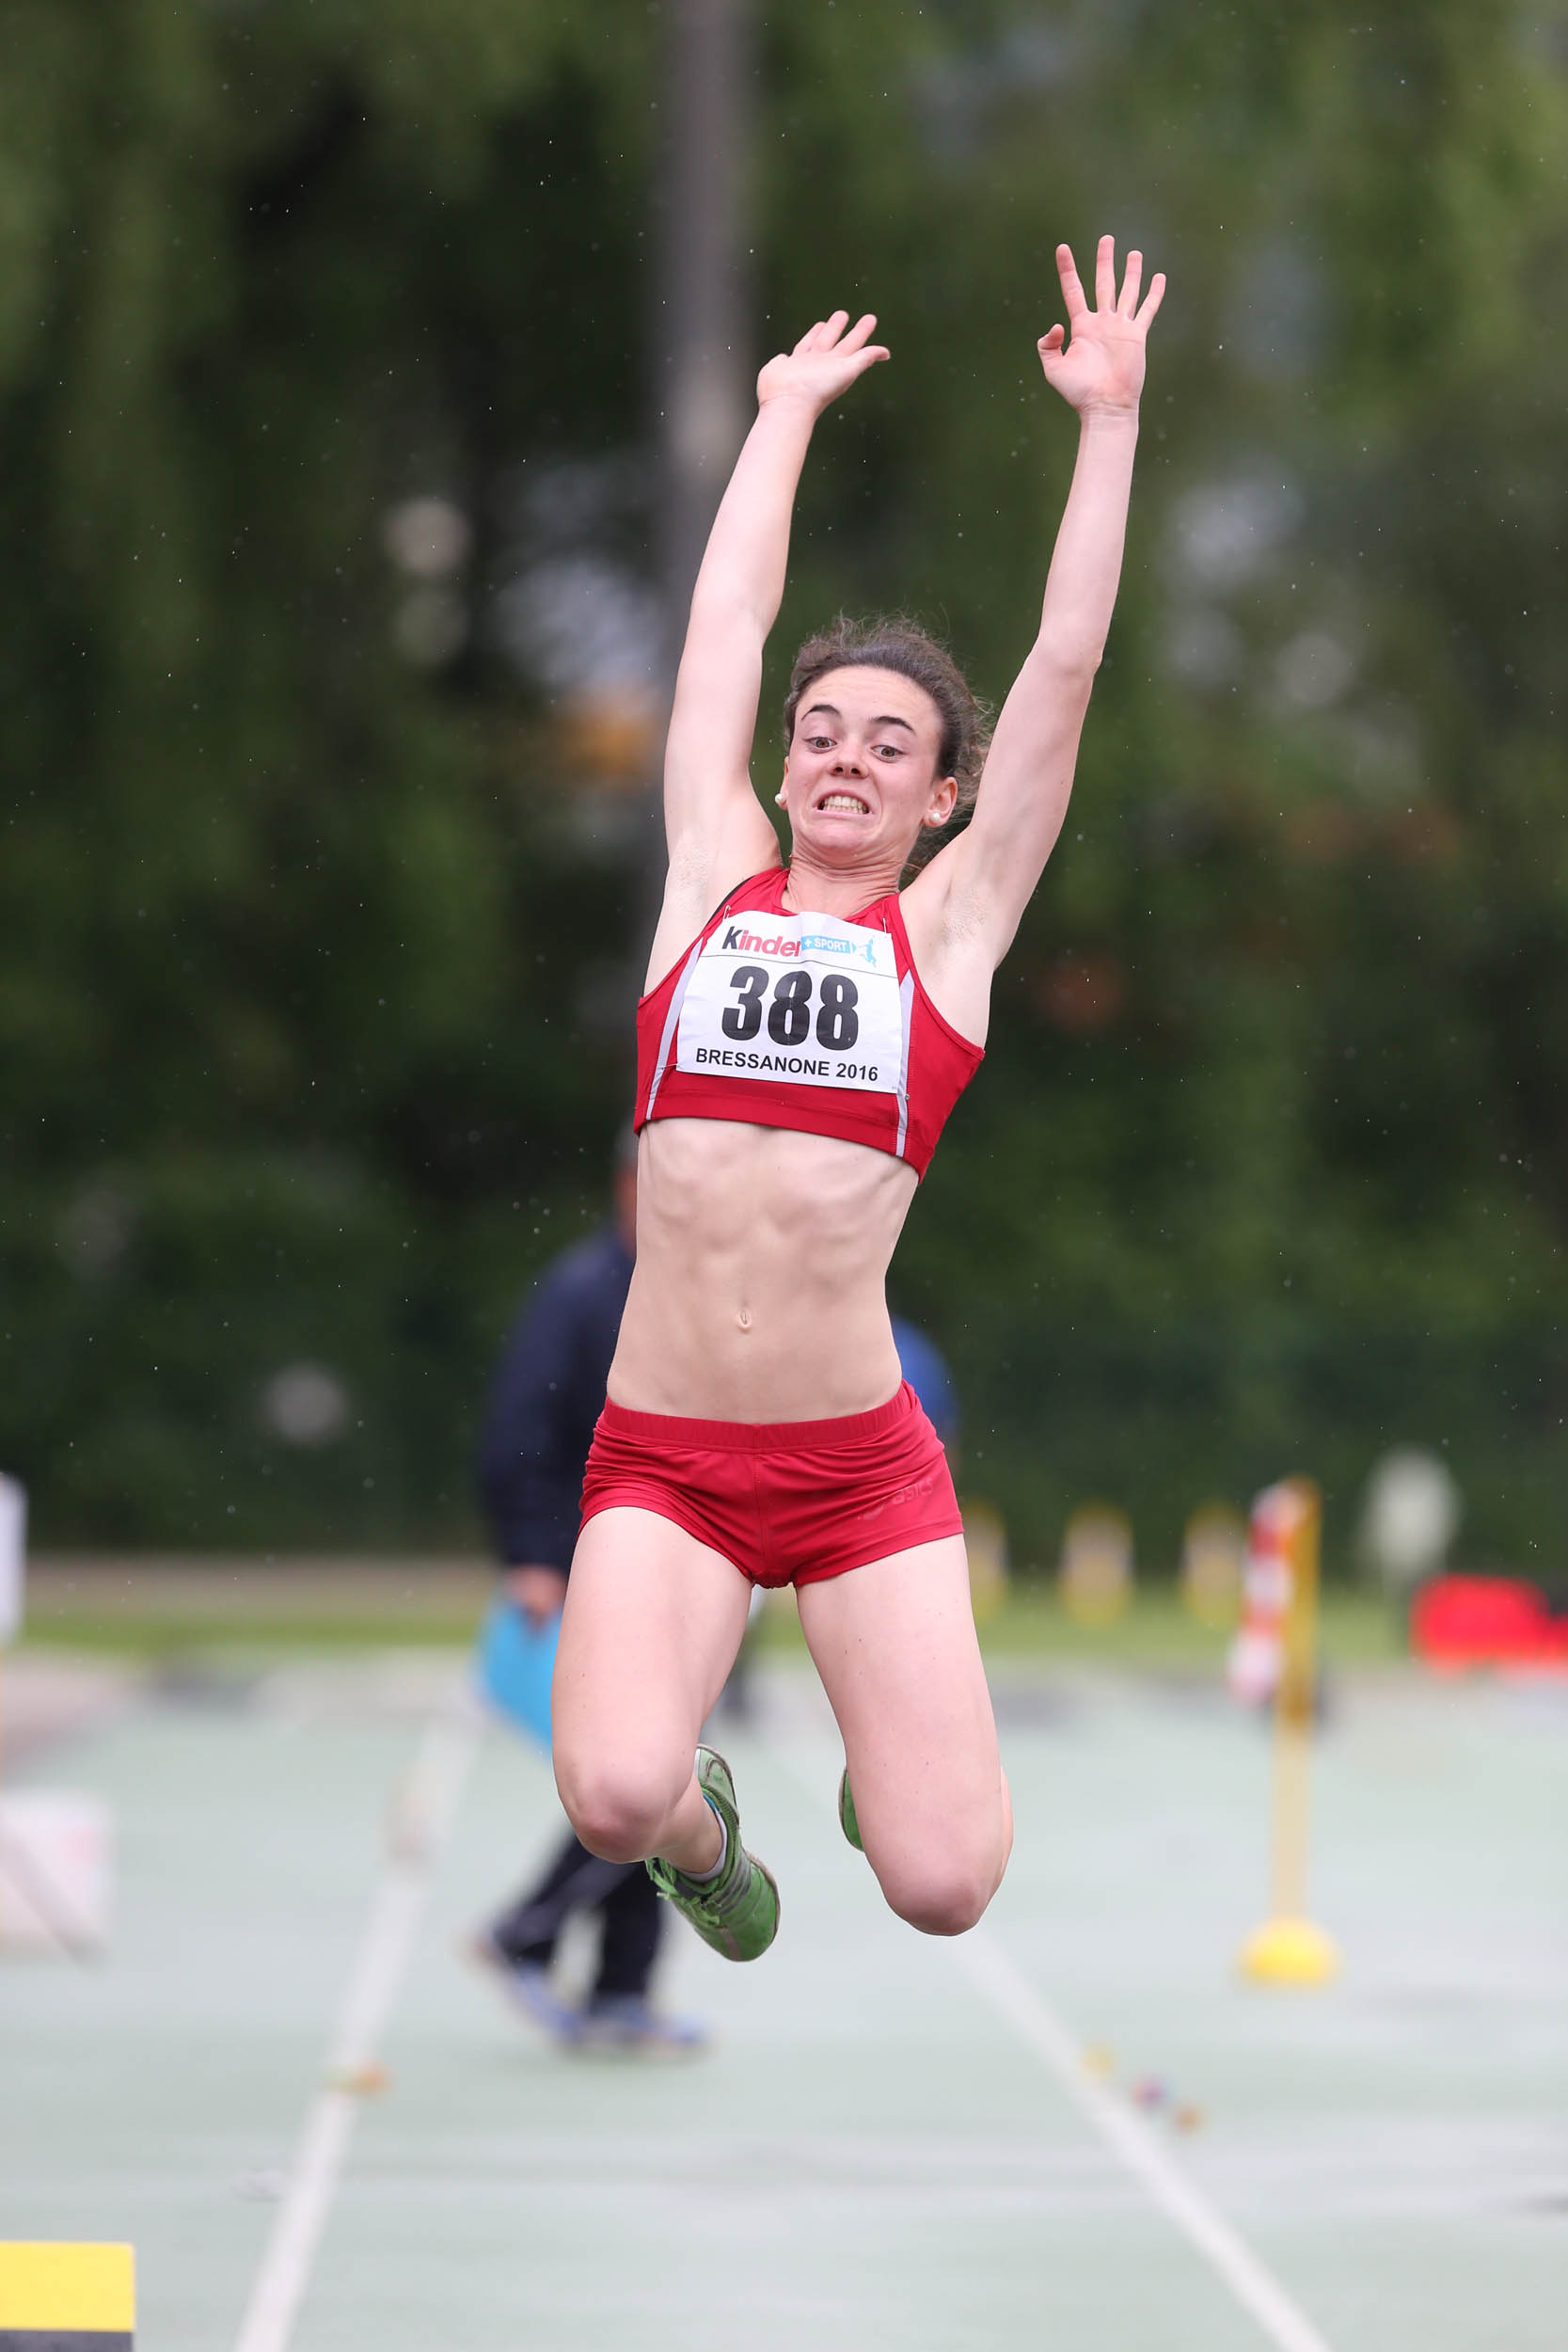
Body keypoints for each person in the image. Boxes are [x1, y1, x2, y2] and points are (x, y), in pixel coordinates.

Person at [551, 237, 1164, 1963]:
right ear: (781, 762)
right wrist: (780, 418)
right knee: (611, 1793)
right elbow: (723, 627)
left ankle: (876, 1767)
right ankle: (701, 1831)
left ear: (942, 797)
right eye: (820, 730)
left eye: (890, 743)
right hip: (665, 1453)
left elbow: (1063, 665)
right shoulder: (706, 879)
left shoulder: (948, 939)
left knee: (942, 1887)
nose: (843, 754)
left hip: (851, 1469)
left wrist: (1107, 424)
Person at [470, 1135, 705, 2053]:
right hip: (598, 1571)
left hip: (682, 1572)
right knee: (648, 1773)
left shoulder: (696, 1289)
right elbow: (518, 1429)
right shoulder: (579, 1293)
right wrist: (534, 1556)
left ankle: (620, 1988)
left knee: (668, 1770)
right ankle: (525, 1932)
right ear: (626, 1185)